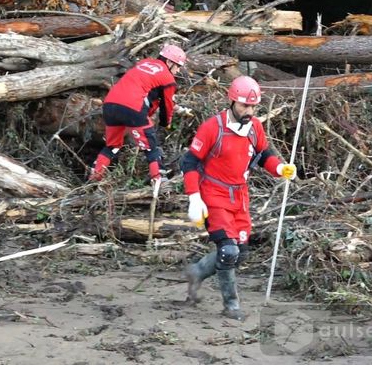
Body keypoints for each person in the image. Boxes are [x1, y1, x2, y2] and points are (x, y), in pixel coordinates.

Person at [180, 76, 296, 320]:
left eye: (253, 107)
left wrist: (279, 169)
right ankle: (231, 306)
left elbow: (264, 155)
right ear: (232, 100)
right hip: (214, 193)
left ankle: (197, 271)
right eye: (244, 105)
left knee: (241, 252)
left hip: (240, 197)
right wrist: (194, 197)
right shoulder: (213, 127)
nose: (249, 111)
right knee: (228, 251)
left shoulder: (255, 127)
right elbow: (189, 161)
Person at [88, 44, 187, 183]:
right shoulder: (168, 79)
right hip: (133, 107)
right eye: (178, 66)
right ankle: (159, 181)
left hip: (110, 105)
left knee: (112, 146)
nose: (178, 71)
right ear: (169, 62)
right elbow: (167, 105)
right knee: (151, 147)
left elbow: (141, 88)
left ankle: (94, 178)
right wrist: (166, 123)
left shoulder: (143, 63)